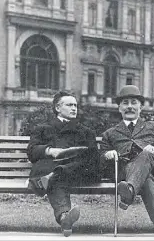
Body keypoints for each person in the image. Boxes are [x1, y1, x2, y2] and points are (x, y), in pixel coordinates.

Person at [100, 85, 154, 237]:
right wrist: (108, 154)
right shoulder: (110, 134)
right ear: (119, 107)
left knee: (145, 154)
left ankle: (129, 193)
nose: (130, 106)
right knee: (145, 179)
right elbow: (101, 158)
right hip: (129, 173)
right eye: (125, 103)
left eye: (134, 102)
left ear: (141, 107)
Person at [26, 91, 100, 237]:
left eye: (75, 105)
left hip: (79, 172)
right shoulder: (43, 128)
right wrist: (49, 150)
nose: (74, 108)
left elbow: (93, 157)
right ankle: (64, 217)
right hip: (58, 173)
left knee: (58, 174)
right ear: (58, 108)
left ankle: (53, 175)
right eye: (69, 105)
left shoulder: (85, 131)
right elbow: (32, 151)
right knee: (57, 178)